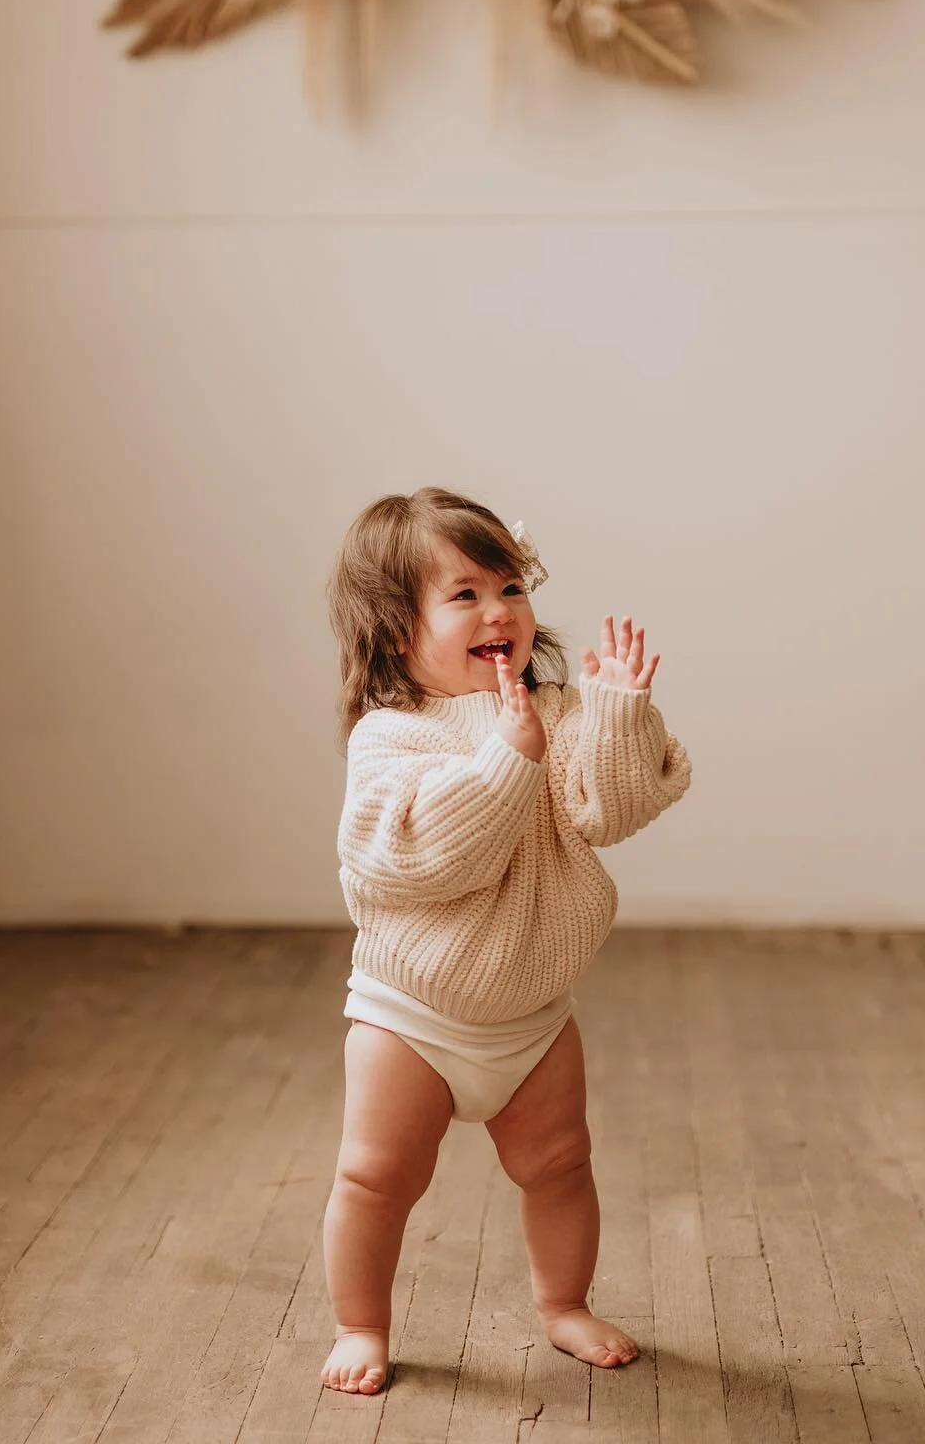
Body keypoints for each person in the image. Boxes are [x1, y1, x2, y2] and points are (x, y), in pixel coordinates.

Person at [320, 487, 692, 1396]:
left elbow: (611, 809)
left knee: (562, 1165)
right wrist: (506, 759)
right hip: (413, 1014)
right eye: (464, 595)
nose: (498, 611)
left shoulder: (555, 712)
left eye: (510, 586)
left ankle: (564, 1304)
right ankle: (360, 1323)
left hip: (531, 1017)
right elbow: (428, 857)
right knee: (375, 1181)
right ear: (395, 632)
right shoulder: (391, 738)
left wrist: (613, 711)